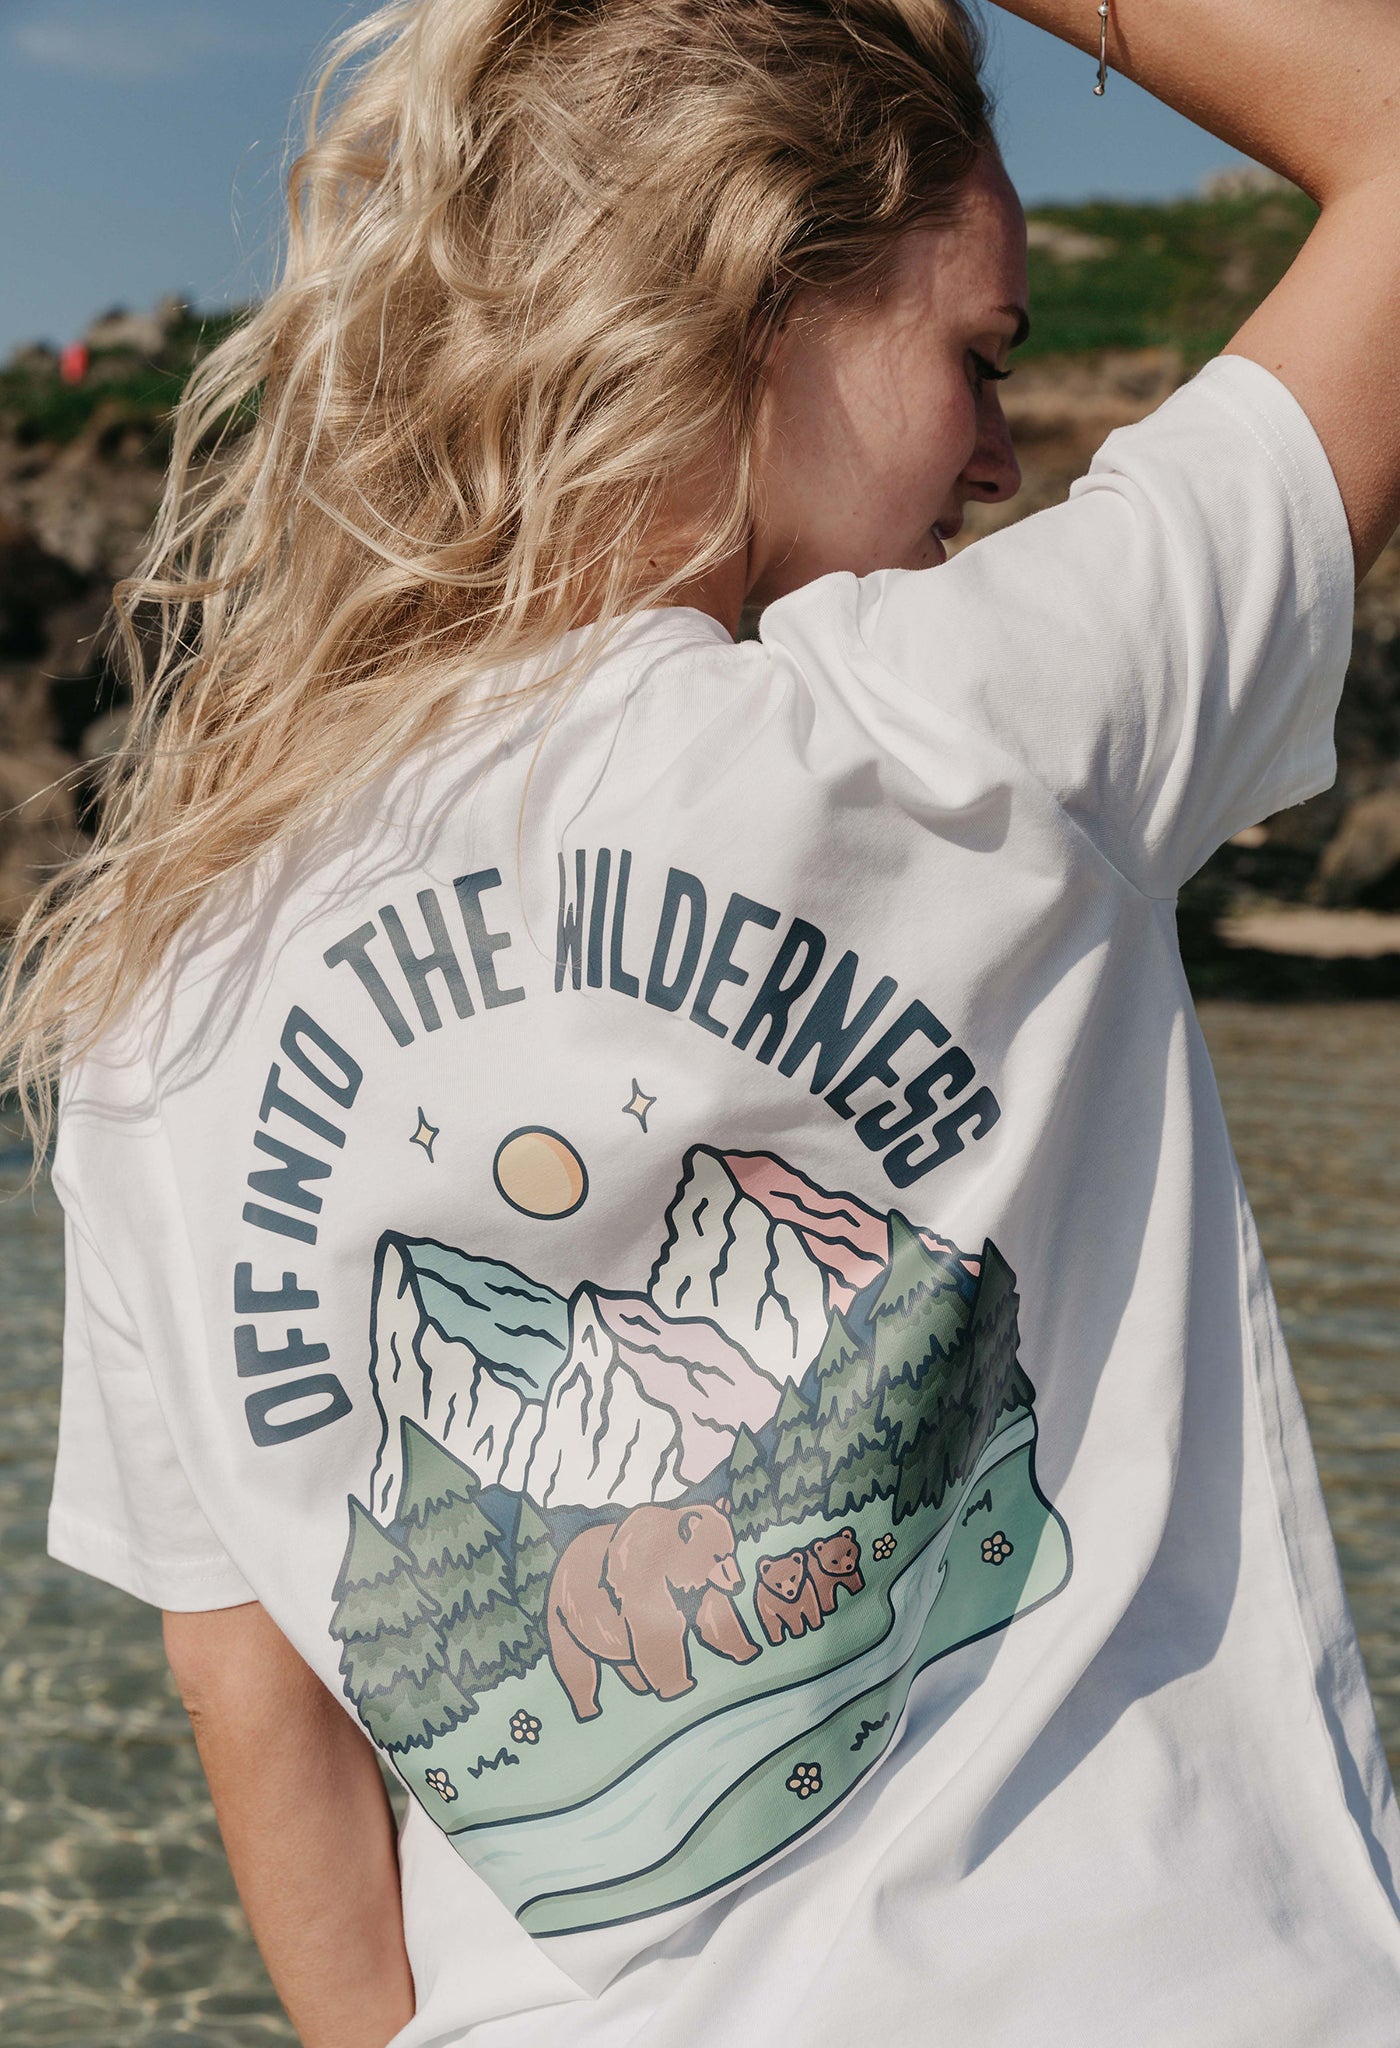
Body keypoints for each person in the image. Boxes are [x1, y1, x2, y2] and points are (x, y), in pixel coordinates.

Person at [7, 0, 1399, 2040]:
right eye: (979, 356)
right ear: (761, 285)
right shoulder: (981, 723)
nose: (1010, 455)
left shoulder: (157, 985)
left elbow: (250, 1693)